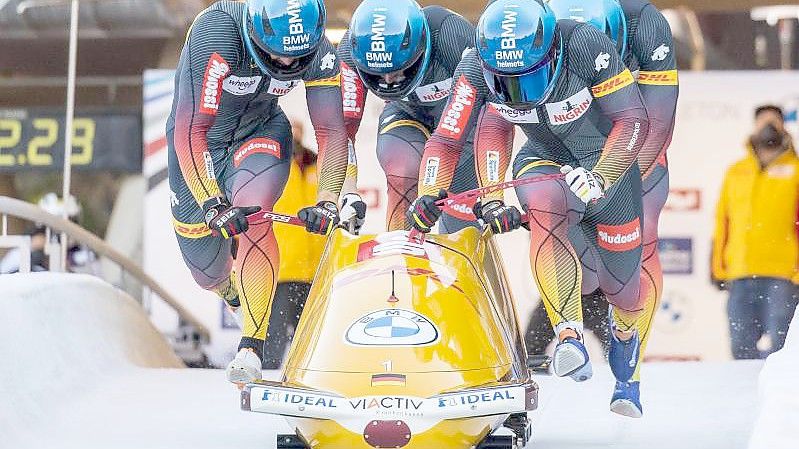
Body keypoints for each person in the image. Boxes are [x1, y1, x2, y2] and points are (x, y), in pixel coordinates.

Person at [407, 0, 652, 417]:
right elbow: (448, 139)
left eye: (530, 76)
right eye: (506, 80)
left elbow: (633, 121)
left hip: (608, 170)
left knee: (624, 293)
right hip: (544, 160)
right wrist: (430, 190)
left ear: (551, 52)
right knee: (544, 206)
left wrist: (602, 176)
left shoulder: (583, 44)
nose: (518, 91)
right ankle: (568, 334)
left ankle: (626, 361)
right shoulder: (473, 66)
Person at [167, 0, 352, 385]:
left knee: (253, 214)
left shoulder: (319, 50)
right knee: (207, 271)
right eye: (277, 55)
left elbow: (333, 133)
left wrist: (329, 199)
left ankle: (252, 347)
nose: (287, 65)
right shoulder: (217, 31)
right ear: (254, 33)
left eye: (296, 57)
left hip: (260, 132)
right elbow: (191, 128)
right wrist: (211, 202)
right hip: (197, 143)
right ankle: (235, 296)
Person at [523, 0, 678, 383]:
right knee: (578, 260)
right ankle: (566, 333)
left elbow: (656, 123)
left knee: (642, 233)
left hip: (631, 148)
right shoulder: (546, 32)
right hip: (573, 153)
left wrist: (611, 186)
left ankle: (630, 370)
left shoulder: (645, 25)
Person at [336, 0, 486, 232]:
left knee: (457, 219)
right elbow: (340, 131)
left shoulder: (450, 35)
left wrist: (430, 191)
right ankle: (402, 261)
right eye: (376, 73)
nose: (388, 81)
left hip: (464, 123)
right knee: (401, 170)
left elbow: (485, 112)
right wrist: (347, 192)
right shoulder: (349, 51)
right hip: (406, 113)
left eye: (397, 71)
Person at [712, 105, 799, 360]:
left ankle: (779, 400)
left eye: (774, 121)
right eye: (763, 122)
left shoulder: (796, 170)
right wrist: (718, 266)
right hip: (740, 272)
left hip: (784, 274)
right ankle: (744, 400)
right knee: (740, 348)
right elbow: (722, 221)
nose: (768, 127)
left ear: (784, 127)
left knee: (782, 351)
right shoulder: (736, 171)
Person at [261, 121, 326, 369]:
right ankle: (266, 380)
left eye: (298, 131)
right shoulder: (270, 166)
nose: (295, 136)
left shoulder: (317, 166)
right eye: (290, 131)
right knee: (273, 340)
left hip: (315, 270)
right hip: (281, 268)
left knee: (311, 340)